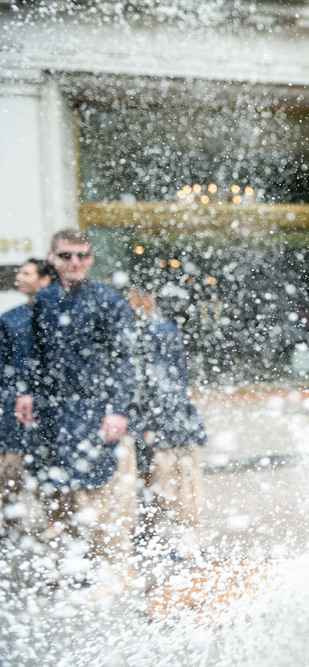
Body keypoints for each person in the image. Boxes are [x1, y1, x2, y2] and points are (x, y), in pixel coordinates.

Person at [15, 230, 138, 589]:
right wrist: (28, 391)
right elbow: (35, 354)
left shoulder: (109, 301)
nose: (75, 263)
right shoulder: (44, 299)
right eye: (67, 256)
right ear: (52, 259)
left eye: (82, 255)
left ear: (92, 259)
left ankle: (116, 570)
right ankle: (73, 568)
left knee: (105, 498)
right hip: (53, 414)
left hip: (96, 411)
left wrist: (117, 410)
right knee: (59, 494)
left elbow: (125, 359)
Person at [126, 282, 209, 558]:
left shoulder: (155, 330)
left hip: (166, 419)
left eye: (132, 297)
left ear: (145, 298)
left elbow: (158, 380)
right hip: (171, 416)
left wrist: (151, 423)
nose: (129, 303)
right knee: (174, 478)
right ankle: (186, 536)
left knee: (173, 480)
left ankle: (192, 538)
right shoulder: (161, 328)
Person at [1, 259, 55, 541]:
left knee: (49, 469)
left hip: (51, 408)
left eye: (26, 273)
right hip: (15, 410)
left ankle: (55, 523)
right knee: (9, 469)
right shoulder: (10, 320)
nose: (19, 277)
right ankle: (9, 524)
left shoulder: (58, 316)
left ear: (44, 279)